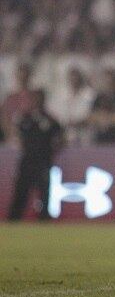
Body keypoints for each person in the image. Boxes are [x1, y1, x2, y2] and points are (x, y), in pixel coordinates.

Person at [8, 90, 63, 221]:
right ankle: (14, 219)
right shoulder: (25, 118)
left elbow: (60, 137)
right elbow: (16, 134)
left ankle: (44, 219)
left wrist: (52, 151)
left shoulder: (50, 120)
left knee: (44, 192)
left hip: (43, 161)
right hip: (27, 161)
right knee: (21, 191)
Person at [1, 63, 40, 146]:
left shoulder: (35, 97)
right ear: (16, 77)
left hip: (32, 139)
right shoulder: (10, 97)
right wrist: (10, 134)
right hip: (14, 139)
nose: (23, 80)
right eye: (21, 77)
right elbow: (5, 119)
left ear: (29, 77)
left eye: (25, 77)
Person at [88, 67, 115, 144]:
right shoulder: (99, 97)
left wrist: (103, 118)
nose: (108, 82)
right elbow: (92, 117)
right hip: (100, 137)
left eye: (111, 80)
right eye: (106, 80)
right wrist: (105, 118)